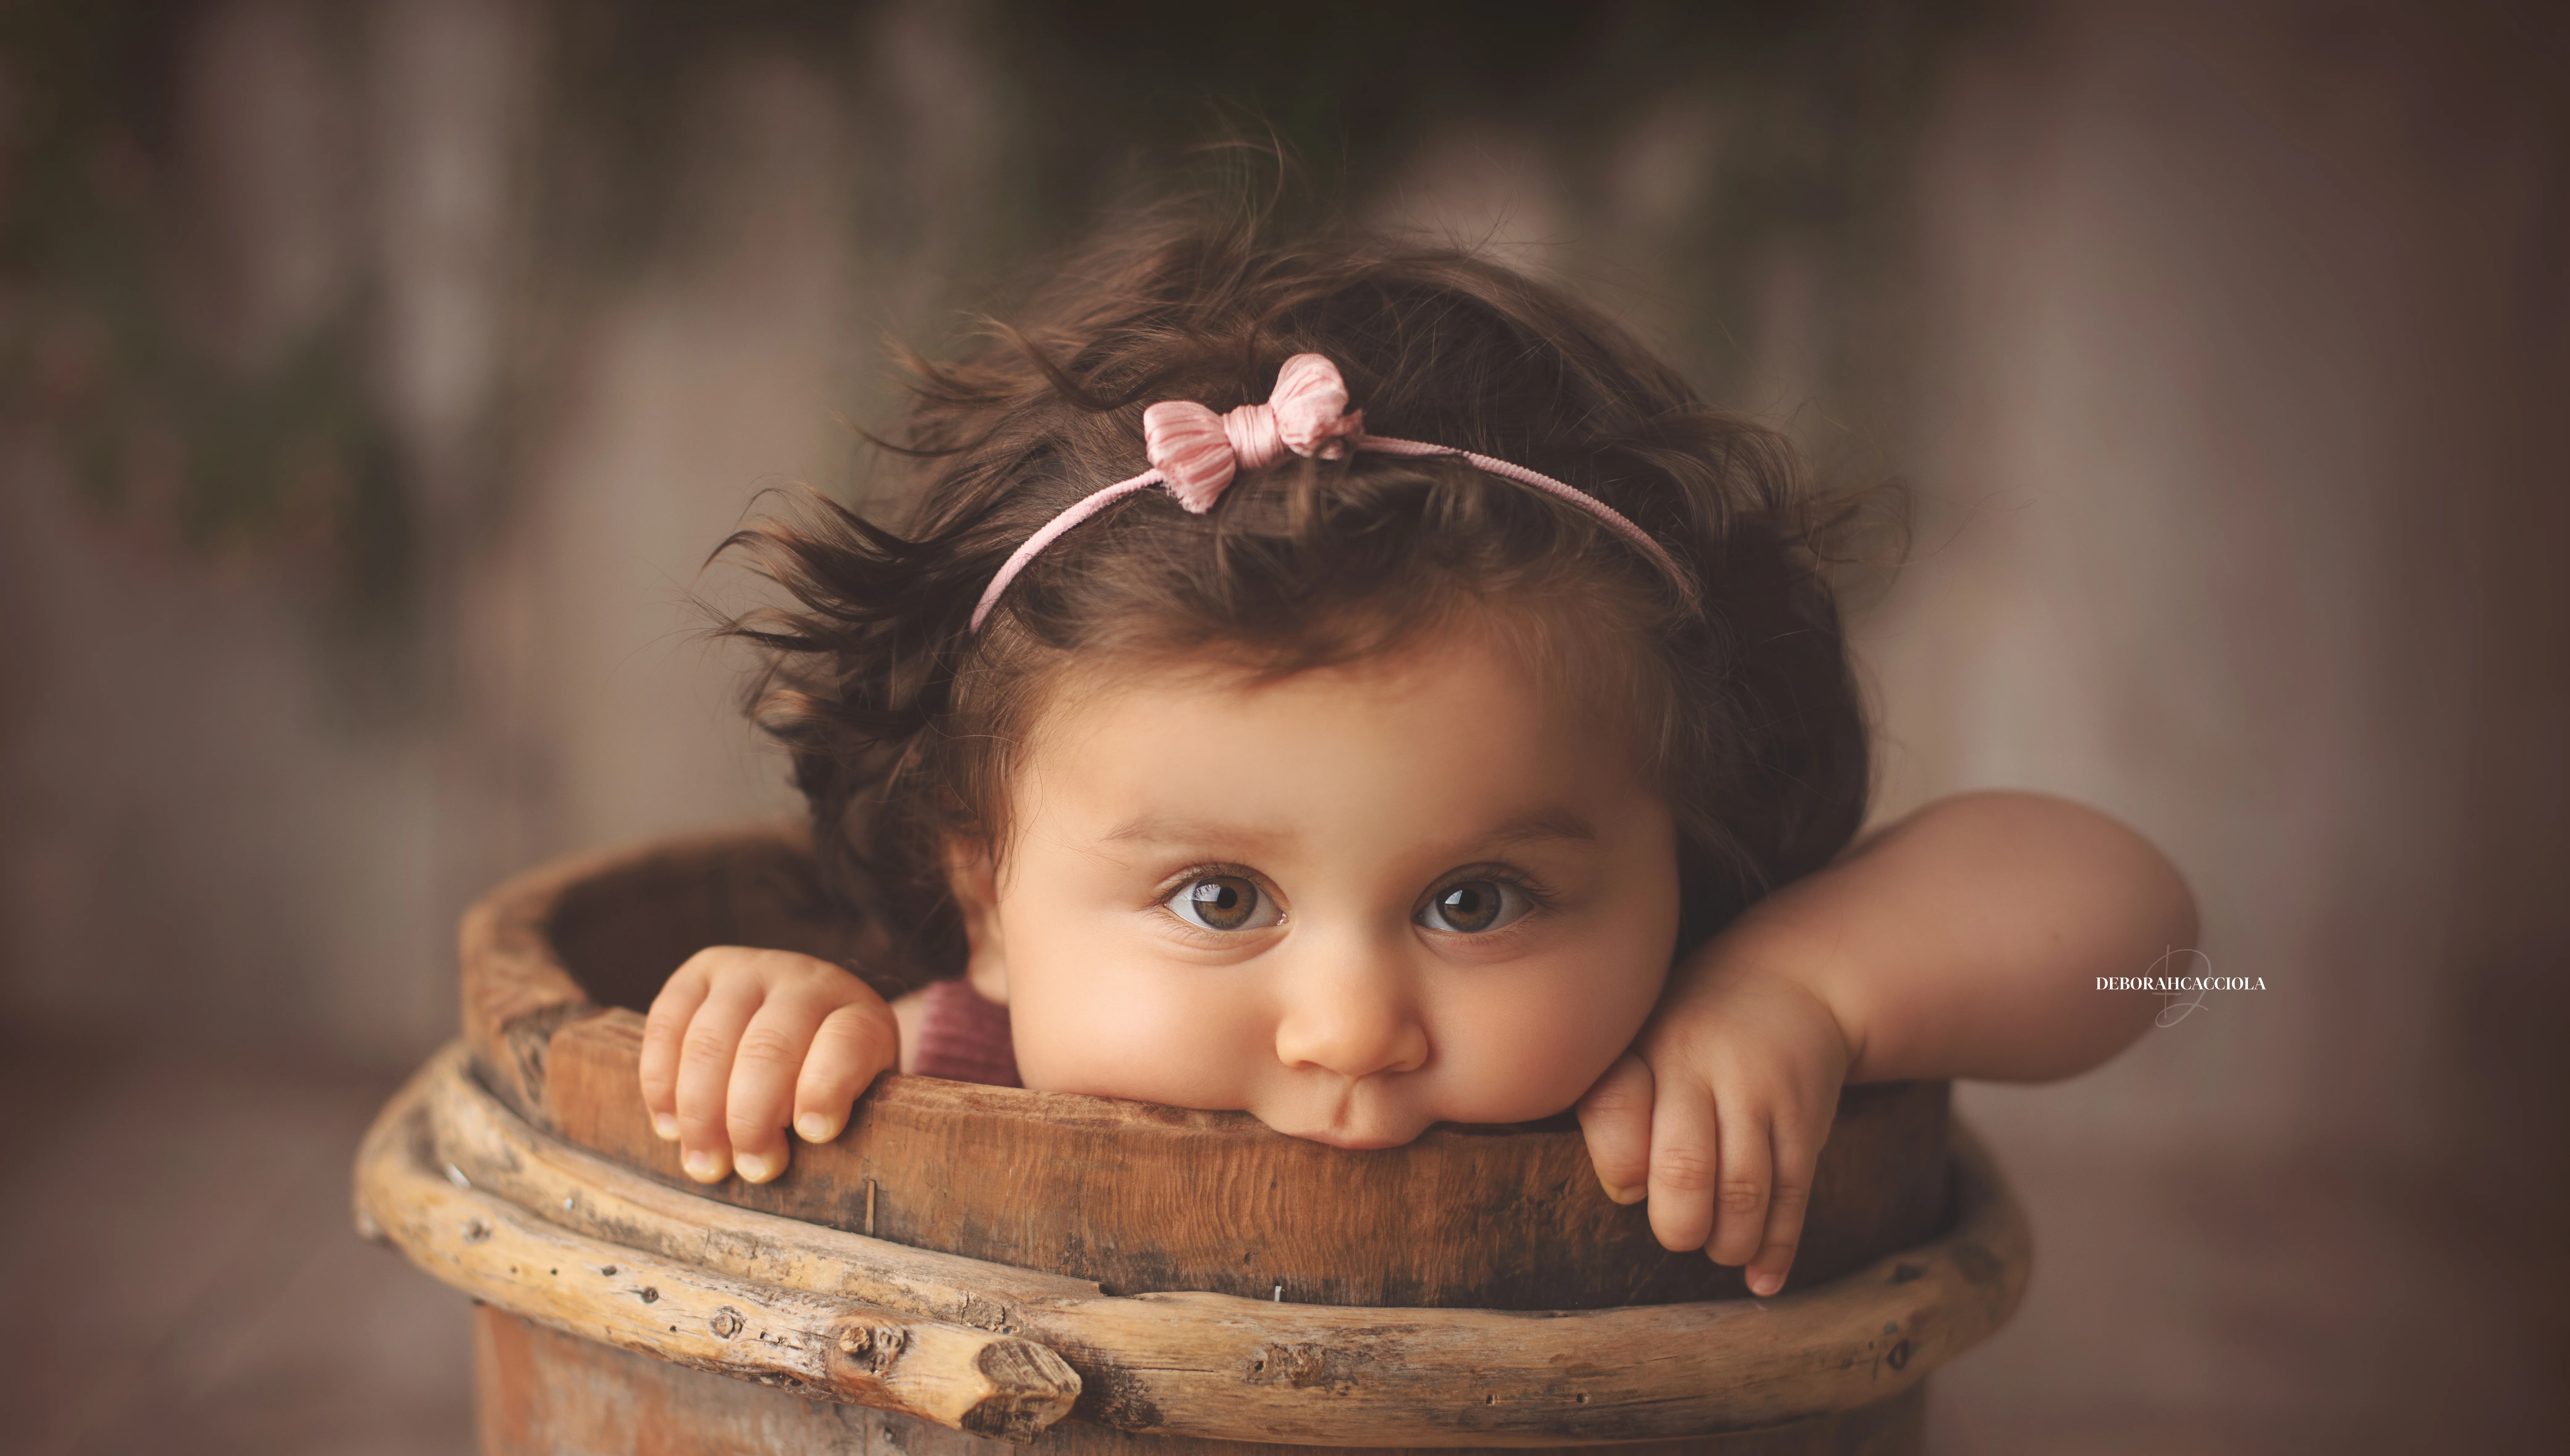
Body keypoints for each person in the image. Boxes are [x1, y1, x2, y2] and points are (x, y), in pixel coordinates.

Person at [637, 205, 2195, 1298]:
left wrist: (1801, 991)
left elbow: (2145, 937)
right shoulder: (949, 1062)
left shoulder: (1677, 1047)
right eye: (1220, 899)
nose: (1351, 1027)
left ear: (1675, 862)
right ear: (986, 900)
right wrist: (783, 1029)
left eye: (1477, 900)